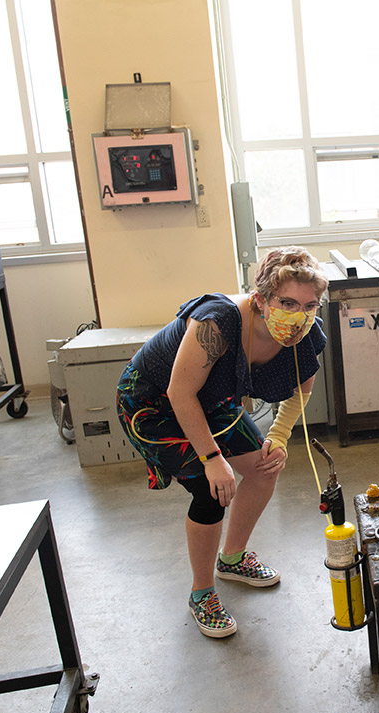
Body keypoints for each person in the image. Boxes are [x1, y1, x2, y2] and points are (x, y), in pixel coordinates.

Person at [117, 247, 328, 637]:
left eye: (309, 305)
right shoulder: (219, 321)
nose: (298, 315)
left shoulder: (304, 333)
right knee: (210, 489)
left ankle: (231, 559)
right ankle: (202, 593)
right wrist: (212, 458)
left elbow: (301, 391)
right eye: (287, 302)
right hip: (153, 401)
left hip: (213, 400)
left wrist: (279, 437)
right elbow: (180, 393)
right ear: (261, 299)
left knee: (265, 468)